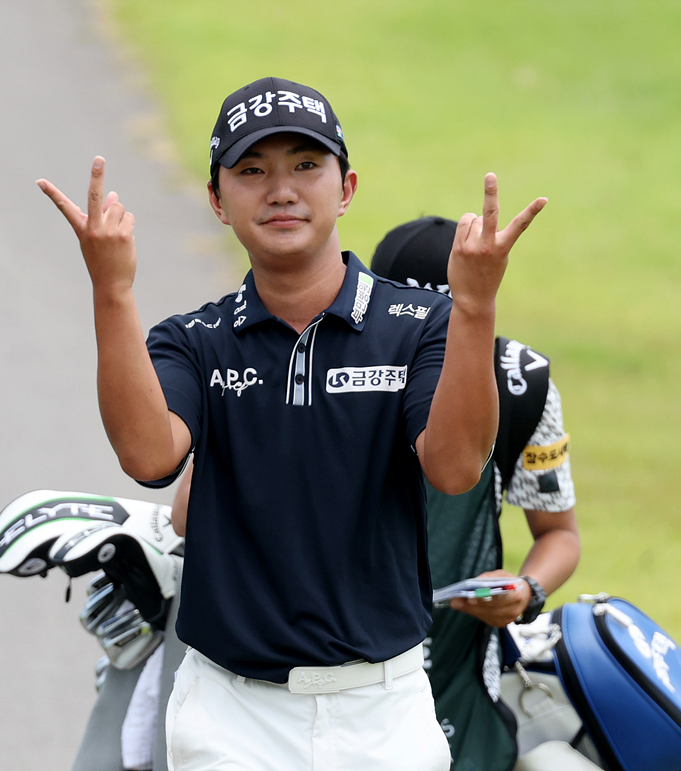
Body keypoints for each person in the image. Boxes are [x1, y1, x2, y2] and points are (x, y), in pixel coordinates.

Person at [38, 76, 546, 771]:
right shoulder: (194, 341)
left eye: (306, 165)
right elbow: (149, 456)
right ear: (217, 200)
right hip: (230, 711)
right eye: (252, 171)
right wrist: (111, 289)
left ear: (347, 187)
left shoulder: (420, 325)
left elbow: (455, 469)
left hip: (384, 708)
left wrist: (476, 308)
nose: (281, 190)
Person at [371, 216, 580, 771]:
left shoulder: (520, 385)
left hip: (460, 687)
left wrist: (525, 590)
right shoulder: (334, 370)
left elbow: (559, 535)